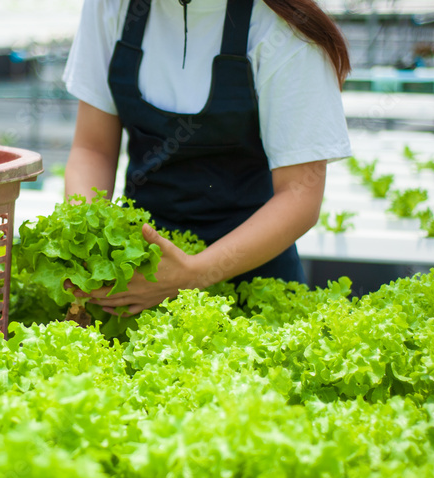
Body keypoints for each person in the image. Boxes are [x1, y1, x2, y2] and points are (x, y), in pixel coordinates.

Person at [62, 0, 352, 316]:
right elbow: (93, 149)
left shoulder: (282, 26)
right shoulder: (111, 6)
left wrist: (192, 274)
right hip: (138, 275)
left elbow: (300, 194)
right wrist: (87, 240)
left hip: (253, 284)